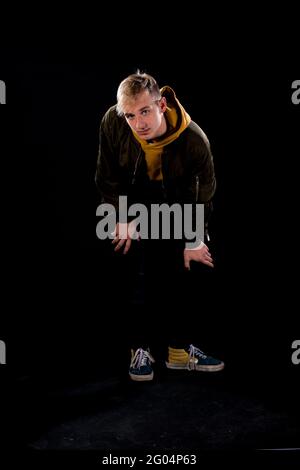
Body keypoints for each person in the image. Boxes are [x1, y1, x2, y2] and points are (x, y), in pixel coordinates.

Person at [95, 71, 224, 381]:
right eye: (130, 115)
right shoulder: (112, 122)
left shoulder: (194, 139)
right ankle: (139, 349)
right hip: (132, 195)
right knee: (132, 265)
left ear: (161, 104)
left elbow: (203, 192)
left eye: (145, 111)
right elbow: (107, 174)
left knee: (187, 265)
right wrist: (120, 217)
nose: (138, 122)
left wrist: (193, 241)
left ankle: (179, 351)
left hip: (176, 198)